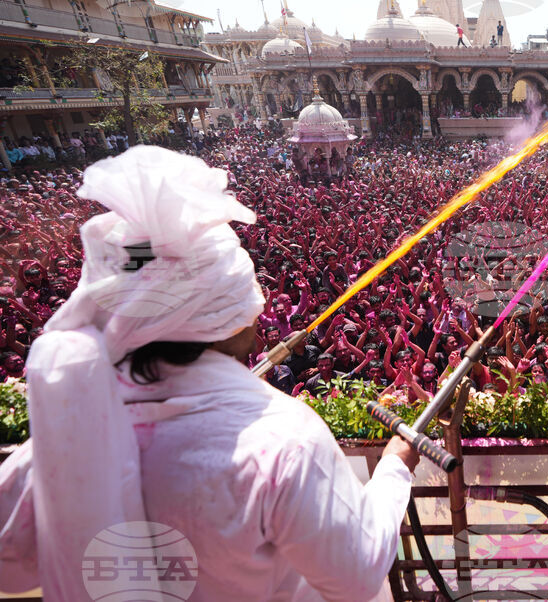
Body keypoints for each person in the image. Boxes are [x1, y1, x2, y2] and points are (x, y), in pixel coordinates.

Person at [0, 147, 419, 601]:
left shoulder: (63, 436)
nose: (259, 308)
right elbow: (355, 577)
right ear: (227, 315)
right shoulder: (281, 442)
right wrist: (395, 467)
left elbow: (9, 569)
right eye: (249, 292)